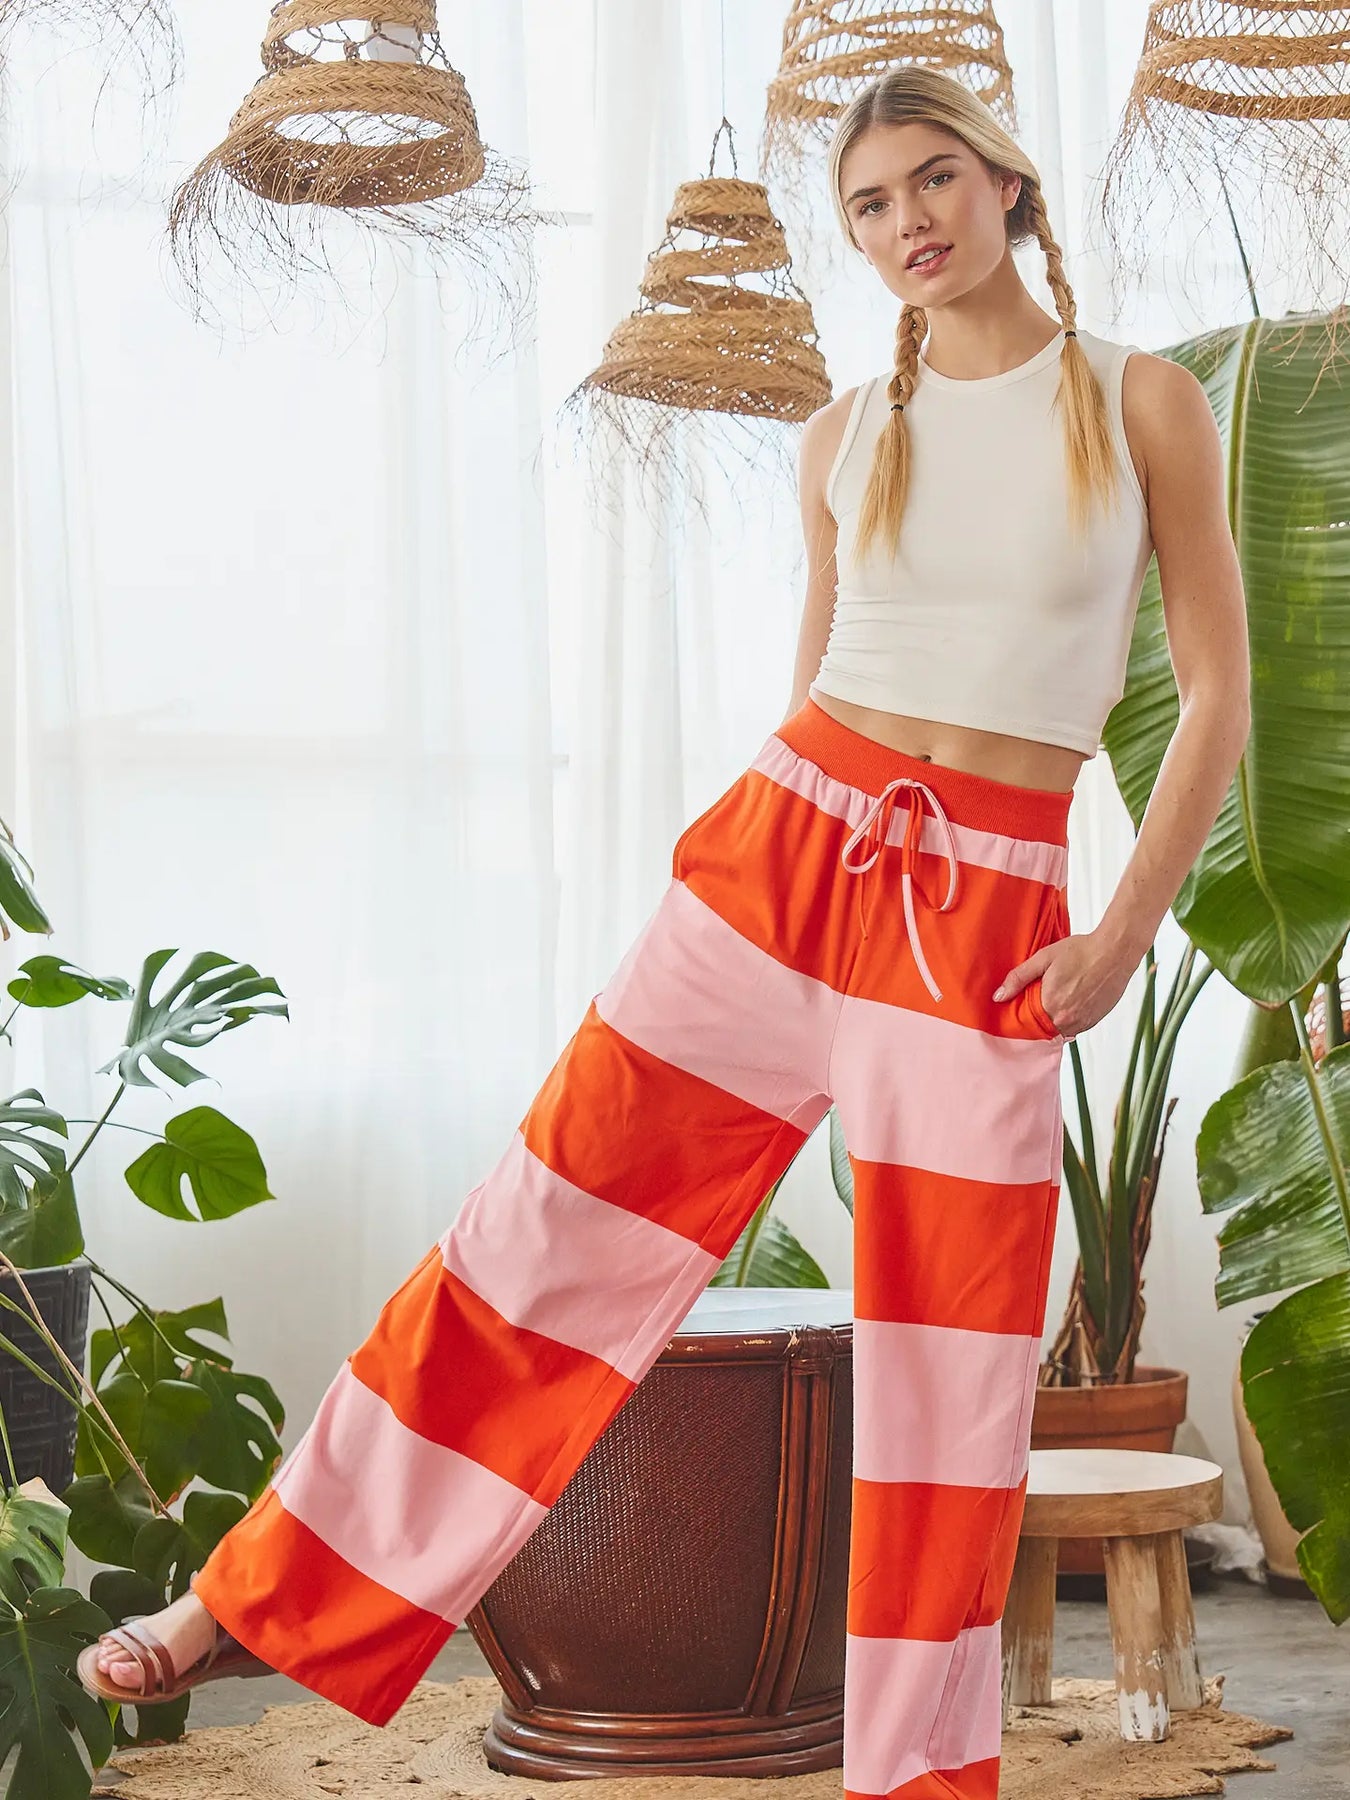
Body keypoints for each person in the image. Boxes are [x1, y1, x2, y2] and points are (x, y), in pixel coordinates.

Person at [79, 64, 1250, 1799]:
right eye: (868, 204)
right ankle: (249, 1594)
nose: (906, 223)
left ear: (1006, 183)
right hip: (782, 864)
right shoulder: (839, 435)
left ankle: (918, 1783)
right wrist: (754, 863)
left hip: (987, 922)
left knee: (948, 1385)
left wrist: (1121, 934)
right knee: (531, 1234)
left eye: (934, 180)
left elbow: (1217, 692)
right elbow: (811, 688)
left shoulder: (1137, 401)